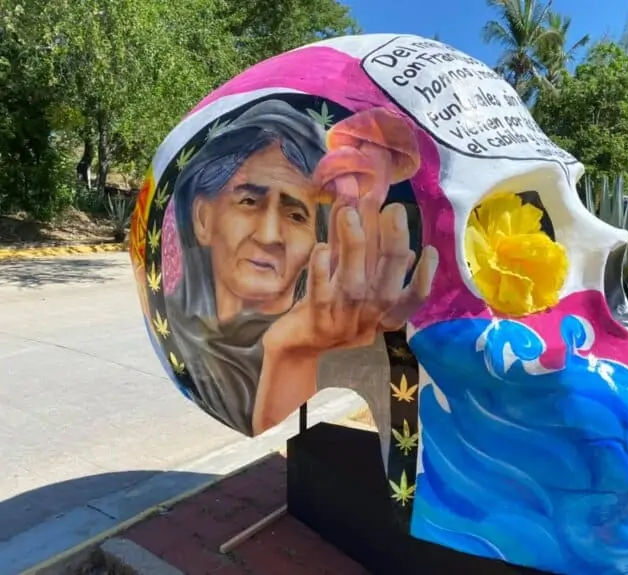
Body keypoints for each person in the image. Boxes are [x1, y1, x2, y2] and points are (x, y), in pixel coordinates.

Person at [166, 99, 438, 436]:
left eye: (296, 216)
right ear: (203, 218)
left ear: (319, 241)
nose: (268, 236)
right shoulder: (178, 330)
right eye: (249, 202)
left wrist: (298, 352)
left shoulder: (341, 339)